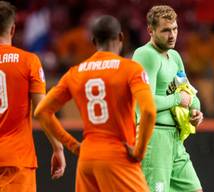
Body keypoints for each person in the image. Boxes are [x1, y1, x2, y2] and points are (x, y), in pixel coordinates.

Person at [34, 15, 156, 192]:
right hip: (118, 156)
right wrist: (139, 151)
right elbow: (149, 111)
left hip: (87, 158)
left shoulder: (75, 72)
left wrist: (74, 146)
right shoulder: (130, 69)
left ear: (93, 41)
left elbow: (41, 112)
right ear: (121, 37)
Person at [132, 5, 203, 192]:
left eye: (175, 29)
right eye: (165, 30)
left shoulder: (175, 56)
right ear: (150, 30)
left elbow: (187, 90)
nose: (172, 35)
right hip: (154, 138)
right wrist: (177, 99)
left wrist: (196, 109)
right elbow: (144, 104)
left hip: (175, 139)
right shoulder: (145, 55)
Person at [0, 1, 65, 192]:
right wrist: (57, 147)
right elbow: (42, 111)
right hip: (17, 160)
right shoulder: (29, 61)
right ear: (12, 29)